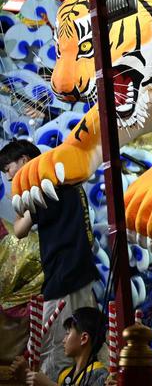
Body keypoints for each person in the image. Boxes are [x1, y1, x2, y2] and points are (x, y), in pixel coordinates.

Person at [2, 140, 100, 380]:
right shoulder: (65, 176)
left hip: (63, 280)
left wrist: (21, 198)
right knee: (86, 345)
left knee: (57, 348)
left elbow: (20, 229)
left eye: (8, 169)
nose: (7, 177)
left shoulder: (40, 185)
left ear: (24, 161)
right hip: (79, 274)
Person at [10, 306, 108, 386]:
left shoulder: (100, 374)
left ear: (84, 338)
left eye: (67, 333)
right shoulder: (64, 375)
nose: (63, 341)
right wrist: (26, 376)